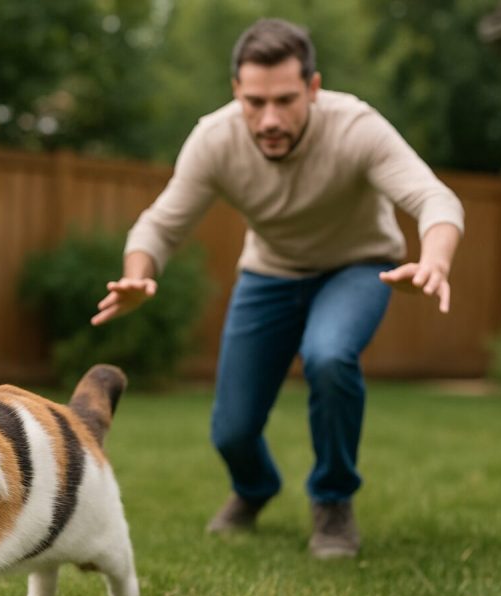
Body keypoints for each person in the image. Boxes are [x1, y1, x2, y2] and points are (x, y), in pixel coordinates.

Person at [91, 18, 463, 559]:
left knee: (330, 357)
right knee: (232, 430)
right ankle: (254, 486)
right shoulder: (216, 139)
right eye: (254, 101)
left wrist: (434, 259)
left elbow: (436, 199)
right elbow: (159, 223)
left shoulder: (355, 127)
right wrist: (139, 271)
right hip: (269, 275)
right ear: (236, 92)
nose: (269, 119)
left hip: (359, 266)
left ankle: (333, 503)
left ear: (312, 89)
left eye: (285, 100)